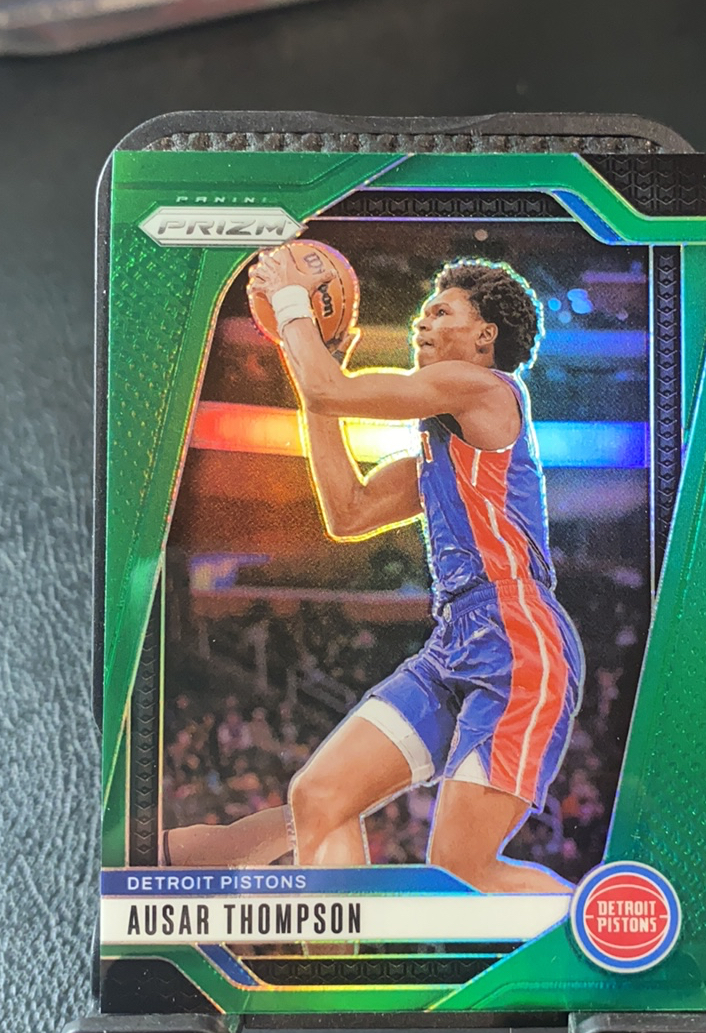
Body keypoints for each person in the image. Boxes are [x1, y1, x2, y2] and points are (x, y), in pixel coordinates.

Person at [166, 252, 584, 895]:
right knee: (320, 797)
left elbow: (331, 389)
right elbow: (349, 511)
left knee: (460, 870)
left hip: (518, 635)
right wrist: (309, 361)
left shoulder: (487, 388)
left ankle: (601, 932)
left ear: (484, 336)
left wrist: (293, 306)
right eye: (424, 311)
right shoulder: (441, 448)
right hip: (454, 638)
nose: (422, 321)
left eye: (440, 311)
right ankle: (335, 955)